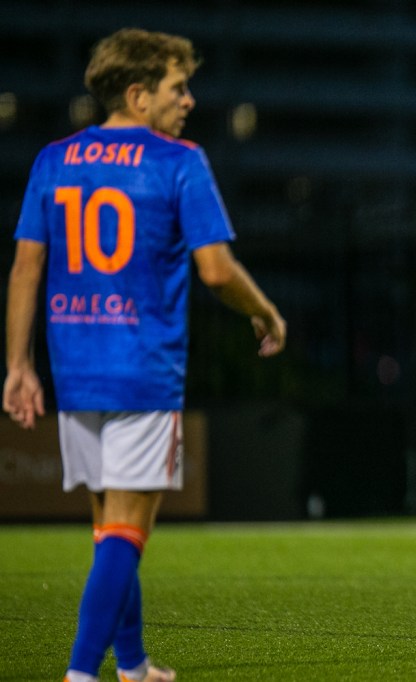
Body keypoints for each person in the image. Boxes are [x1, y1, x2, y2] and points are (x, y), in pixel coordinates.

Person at [2, 28, 286, 682]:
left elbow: (25, 268)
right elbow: (215, 271)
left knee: (110, 530)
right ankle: (80, 673)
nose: (188, 101)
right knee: (128, 533)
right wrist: (266, 311)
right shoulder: (178, 161)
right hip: (142, 370)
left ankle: (132, 665)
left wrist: (17, 366)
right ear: (137, 94)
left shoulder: (53, 159)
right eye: (177, 87)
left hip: (76, 368)